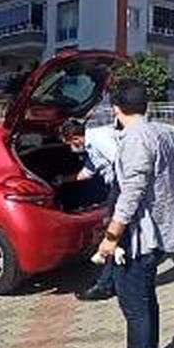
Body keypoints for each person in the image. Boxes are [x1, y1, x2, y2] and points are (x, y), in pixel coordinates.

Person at [94, 79, 174, 348]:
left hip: (142, 237)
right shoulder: (167, 132)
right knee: (145, 297)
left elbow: (131, 195)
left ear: (116, 109)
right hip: (165, 232)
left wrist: (111, 237)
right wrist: (167, 193)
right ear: (146, 106)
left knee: (134, 305)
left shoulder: (136, 139)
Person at [57, 118, 119, 302]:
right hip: (117, 188)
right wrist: (63, 180)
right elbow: (87, 172)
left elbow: (121, 162)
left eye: (69, 143)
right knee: (119, 237)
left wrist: (120, 195)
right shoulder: (92, 145)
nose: (71, 148)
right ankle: (112, 280)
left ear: (75, 138)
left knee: (113, 235)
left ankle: (104, 286)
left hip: (121, 187)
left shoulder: (99, 138)